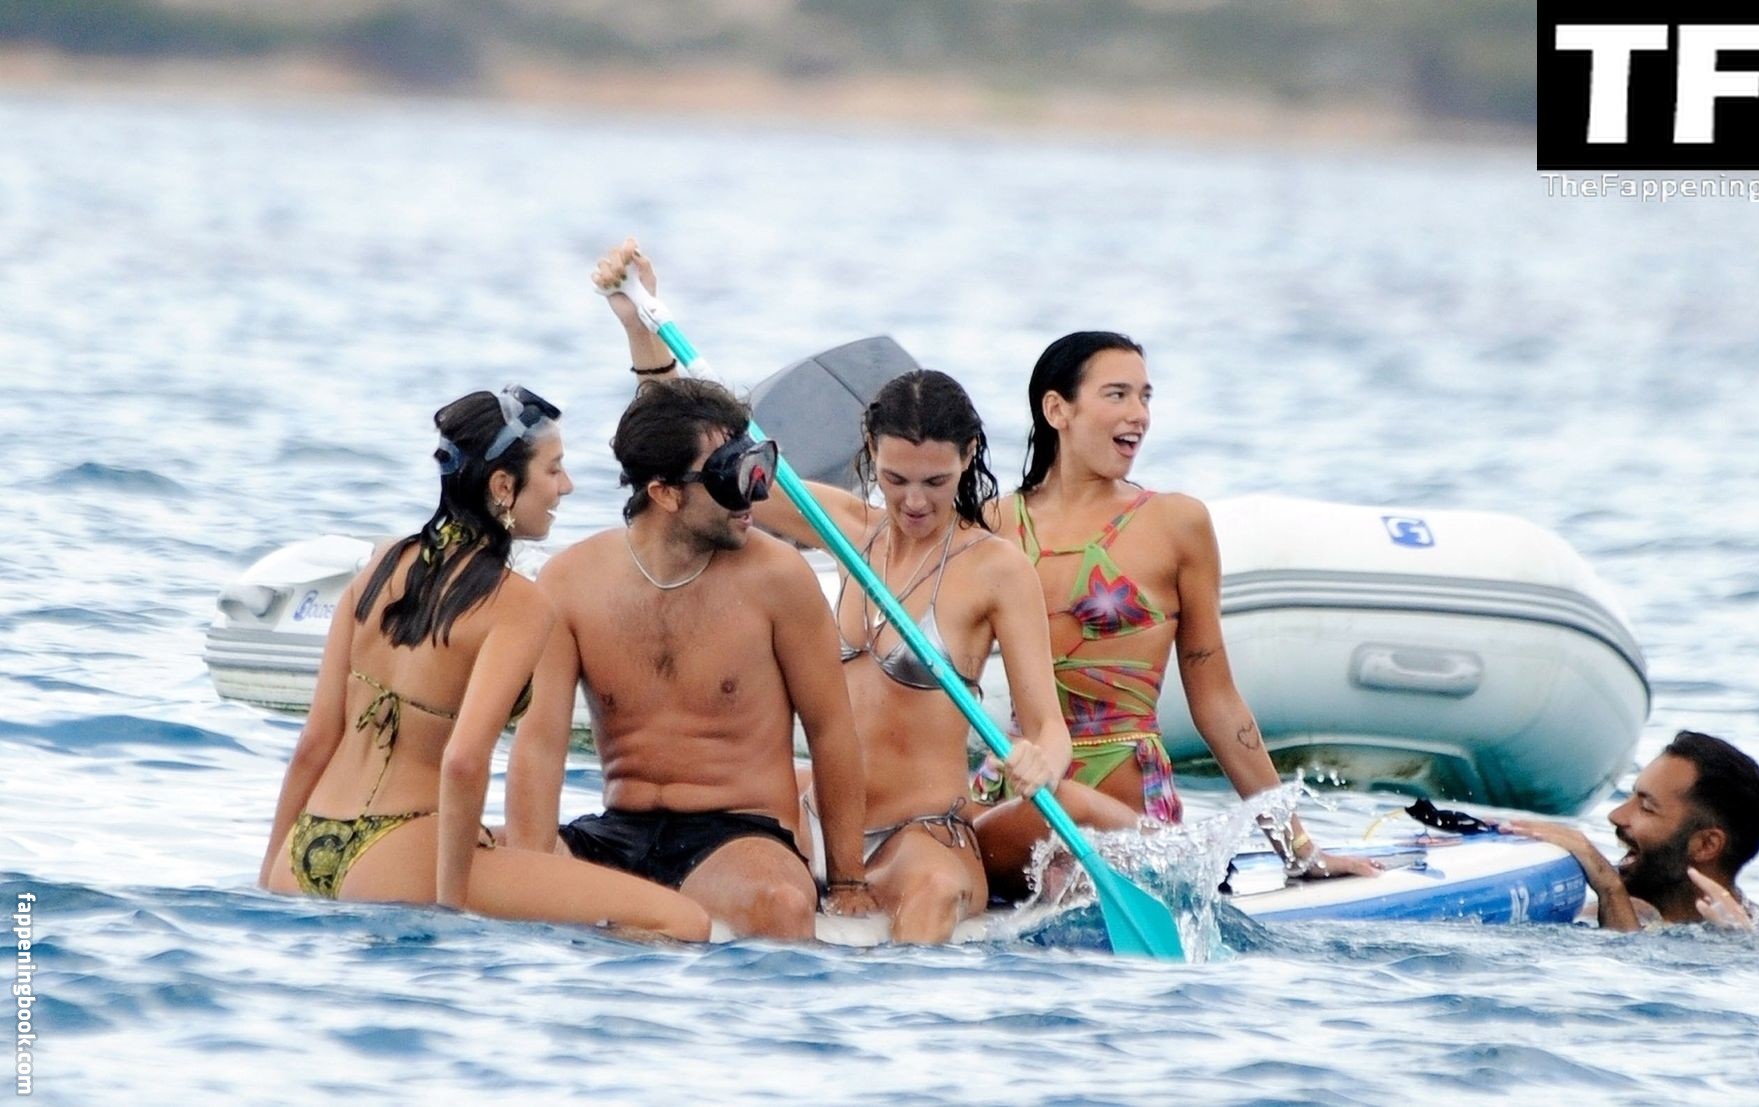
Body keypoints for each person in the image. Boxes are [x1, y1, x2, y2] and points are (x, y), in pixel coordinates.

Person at [582, 240, 1133, 938]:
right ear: (869, 453)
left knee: (931, 897)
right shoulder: (842, 529)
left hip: (921, 837)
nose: (914, 502)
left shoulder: (995, 569)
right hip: (816, 823)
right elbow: (692, 463)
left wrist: (1039, 761)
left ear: (967, 458)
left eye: (936, 482)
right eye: (896, 479)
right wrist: (642, 330)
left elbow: (1050, 731)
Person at [260, 386, 709, 943]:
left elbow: (314, 742)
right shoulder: (517, 603)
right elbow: (463, 761)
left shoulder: (376, 569)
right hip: (402, 855)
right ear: (503, 486)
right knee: (683, 922)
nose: (566, 486)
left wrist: (269, 874)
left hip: (305, 846)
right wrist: (455, 907)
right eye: (554, 469)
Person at [503, 342, 879, 939]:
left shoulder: (779, 579)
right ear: (665, 493)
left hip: (737, 837)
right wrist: (529, 872)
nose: (755, 493)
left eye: (757, 467)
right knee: (470, 857)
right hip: (615, 831)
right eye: (731, 476)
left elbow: (832, 733)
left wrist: (849, 882)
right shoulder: (571, 582)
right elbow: (540, 744)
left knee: (782, 903)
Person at [973, 331, 1377, 879]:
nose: (1138, 415)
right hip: (1012, 795)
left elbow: (1217, 702)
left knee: (1064, 826)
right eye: (1117, 395)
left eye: (1145, 397)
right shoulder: (993, 525)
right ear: (1057, 410)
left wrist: (1297, 849)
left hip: (1122, 809)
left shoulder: (1176, 524)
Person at [1506, 730, 1759, 931]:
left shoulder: (1750, 936)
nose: (1616, 815)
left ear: (1706, 845)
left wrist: (1609, 889)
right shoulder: (1617, 913)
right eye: (1630, 797)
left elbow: (1625, 965)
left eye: (1646, 808)